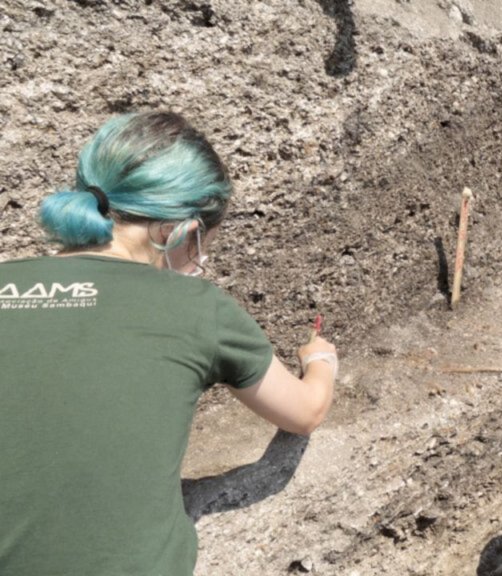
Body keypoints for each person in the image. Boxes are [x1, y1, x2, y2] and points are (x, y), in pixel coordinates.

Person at [0, 111, 337, 575]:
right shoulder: (195, 306)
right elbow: (304, 412)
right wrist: (320, 359)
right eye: (203, 245)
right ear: (178, 230)